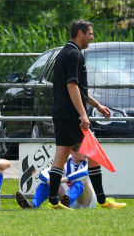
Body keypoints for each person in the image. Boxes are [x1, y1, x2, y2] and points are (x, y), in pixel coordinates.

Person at [49, 19, 125, 209]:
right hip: (72, 114)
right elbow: (72, 86)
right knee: (94, 153)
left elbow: (78, 89)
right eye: (90, 33)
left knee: (61, 154)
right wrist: (84, 115)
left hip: (60, 112)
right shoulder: (75, 54)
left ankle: (53, 202)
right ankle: (102, 201)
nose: (92, 37)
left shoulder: (63, 53)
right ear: (80, 33)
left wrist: (97, 105)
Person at [16, 148, 96, 209]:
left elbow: (85, 172)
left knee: (81, 180)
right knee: (46, 183)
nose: (86, 153)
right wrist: (49, 181)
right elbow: (43, 173)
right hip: (68, 198)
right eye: (83, 150)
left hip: (88, 202)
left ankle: (67, 203)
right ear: (72, 152)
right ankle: (33, 205)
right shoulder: (65, 161)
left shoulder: (89, 160)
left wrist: (62, 180)